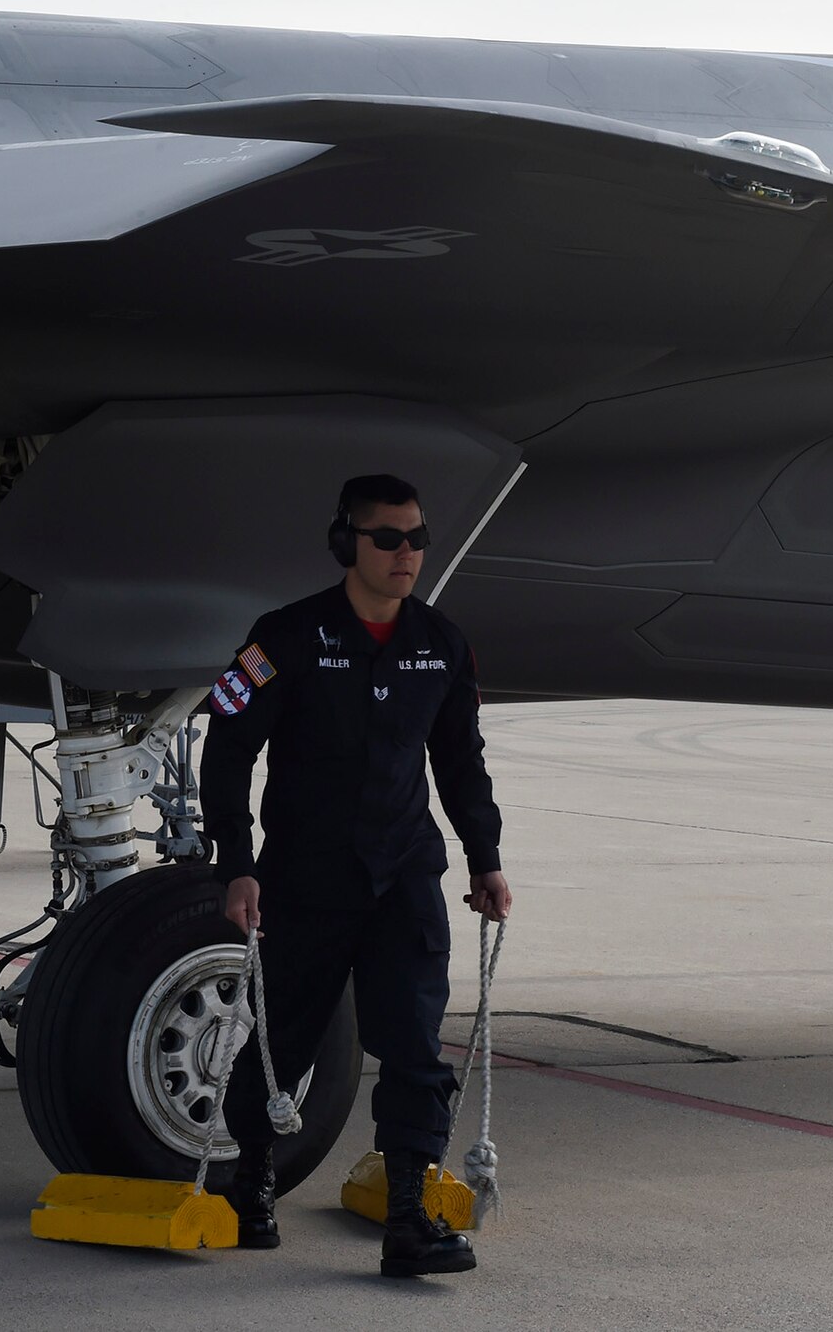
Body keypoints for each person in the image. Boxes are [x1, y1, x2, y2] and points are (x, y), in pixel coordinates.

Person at [199, 472, 512, 1278]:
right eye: (387, 538)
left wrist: (486, 858)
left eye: (416, 538)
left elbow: (460, 761)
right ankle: (251, 1184)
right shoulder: (285, 637)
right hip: (306, 873)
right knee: (285, 1038)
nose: (405, 553)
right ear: (349, 543)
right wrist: (237, 865)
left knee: (413, 1043)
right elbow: (228, 748)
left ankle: (408, 1217)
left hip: (403, 873)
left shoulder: (442, 644)